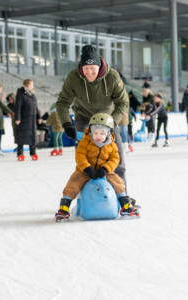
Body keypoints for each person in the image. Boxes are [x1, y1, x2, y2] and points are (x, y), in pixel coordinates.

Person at [56, 45, 135, 206]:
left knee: (117, 158)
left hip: (109, 119)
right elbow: (63, 102)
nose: (89, 72)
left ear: (99, 65)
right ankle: (87, 198)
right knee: (85, 158)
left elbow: (123, 103)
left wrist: (111, 123)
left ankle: (123, 197)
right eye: (86, 68)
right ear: (81, 67)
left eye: (92, 68)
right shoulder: (74, 77)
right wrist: (67, 124)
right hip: (84, 118)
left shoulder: (112, 77)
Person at [54, 113, 140, 222]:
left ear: (108, 133)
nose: (97, 136)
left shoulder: (112, 145)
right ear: (91, 131)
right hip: (84, 171)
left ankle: (125, 206)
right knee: (73, 183)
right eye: (95, 132)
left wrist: (105, 168)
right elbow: (80, 156)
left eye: (101, 133)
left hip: (105, 172)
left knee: (118, 181)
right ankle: (64, 208)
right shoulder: (85, 141)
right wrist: (87, 168)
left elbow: (115, 159)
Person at [14, 79, 41, 161]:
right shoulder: (21, 94)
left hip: (32, 119)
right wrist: (18, 118)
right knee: (21, 137)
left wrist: (39, 117)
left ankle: (33, 153)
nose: (33, 86)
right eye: (32, 84)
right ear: (28, 85)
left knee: (32, 137)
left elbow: (36, 107)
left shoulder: (32, 94)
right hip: (24, 119)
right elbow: (18, 107)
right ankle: (20, 154)